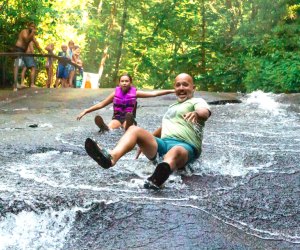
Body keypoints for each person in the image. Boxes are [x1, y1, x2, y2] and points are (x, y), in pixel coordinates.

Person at [84, 73, 211, 189]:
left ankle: (159, 175)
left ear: (193, 88)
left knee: (175, 151)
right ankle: (110, 158)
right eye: (178, 85)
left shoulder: (197, 101)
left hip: (185, 147)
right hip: (164, 144)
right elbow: (166, 127)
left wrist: (196, 113)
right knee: (134, 129)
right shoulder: (173, 107)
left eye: (185, 84)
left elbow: (205, 112)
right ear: (174, 88)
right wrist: (147, 139)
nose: (181, 88)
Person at [77, 73, 175, 132]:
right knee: (111, 126)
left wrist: (171, 91)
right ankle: (104, 127)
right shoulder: (115, 94)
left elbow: (154, 94)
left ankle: (129, 126)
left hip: (129, 118)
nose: (124, 83)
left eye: (126, 81)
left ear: (130, 83)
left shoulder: (135, 93)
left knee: (127, 127)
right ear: (119, 83)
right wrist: (86, 110)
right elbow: (101, 104)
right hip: (117, 118)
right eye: (122, 81)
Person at [13, 22, 43, 91]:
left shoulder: (31, 35)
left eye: (34, 27)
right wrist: (32, 33)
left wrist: (41, 52)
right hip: (18, 49)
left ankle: (31, 84)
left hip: (24, 52)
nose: (32, 28)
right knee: (16, 65)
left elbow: (36, 43)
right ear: (28, 26)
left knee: (31, 67)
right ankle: (15, 84)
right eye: (31, 26)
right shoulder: (24, 31)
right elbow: (26, 40)